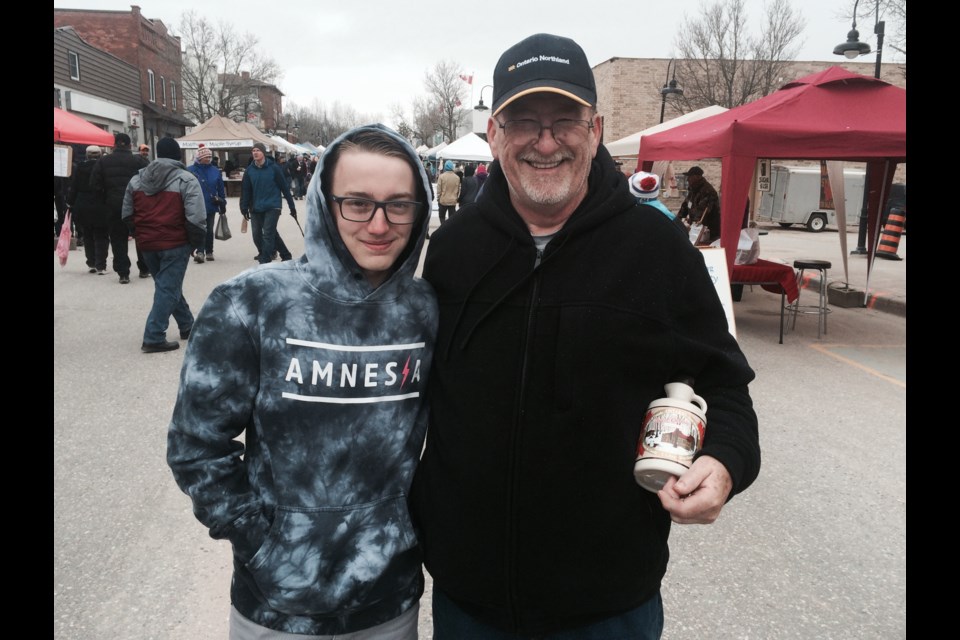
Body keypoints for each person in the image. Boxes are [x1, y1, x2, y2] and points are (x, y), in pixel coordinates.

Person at [410, 33, 760, 640]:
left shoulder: (656, 251)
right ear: (494, 133)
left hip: (609, 606)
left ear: (595, 129)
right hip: (470, 602)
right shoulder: (452, 251)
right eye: (523, 120)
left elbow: (725, 387)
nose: (546, 141)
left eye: (564, 119)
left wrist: (725, 464)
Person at [167, 124, 437, 638]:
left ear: (420, 209)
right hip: (274, 606)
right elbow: (195, 446)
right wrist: (262, 546)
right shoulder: (251, 302)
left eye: (399, 204)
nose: (379, 224)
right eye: (357, 203)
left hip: (389, 601)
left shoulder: (425, 310)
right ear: (324, 203)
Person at [121, 137, 205, 353]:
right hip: (175, 242)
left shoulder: (136, 180)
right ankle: (154, 336)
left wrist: (139, 233)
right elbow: (196, 216)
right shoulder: (186, 179)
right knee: (168, 288)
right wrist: (195, 243)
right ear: (177, 155)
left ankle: (188, 325)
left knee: (168, 285)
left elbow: (127, 213)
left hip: (147, 243)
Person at [91, 132, 150, 283]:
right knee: (141, 236)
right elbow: (150, 182)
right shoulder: (140, 161)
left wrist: (105, 201)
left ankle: (123, 272)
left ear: (114, 145)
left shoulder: (103, 162)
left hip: (113, 205)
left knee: (118, 239)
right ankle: (144, 268)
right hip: (137, 205)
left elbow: (95, 186)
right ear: (130, 145)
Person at [240, 142, 296, 264]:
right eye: (253, 151)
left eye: (257, 150)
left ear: (263, 153)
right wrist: (243, 207)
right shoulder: (249, 170)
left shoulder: (274, 168)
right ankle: (285, 254)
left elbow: (285, 188)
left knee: (268, 234)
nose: (255, 153)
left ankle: (265, 260)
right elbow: (245, 190)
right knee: (257, 235)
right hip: (256, 207)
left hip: (273, 205)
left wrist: (292, 206)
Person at [67, 145, 111, 275]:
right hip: (100, 205)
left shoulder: (79, 167)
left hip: (83, 205)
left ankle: (91, 263)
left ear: (87, 155)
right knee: (101, 235)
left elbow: (73, 187)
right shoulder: (103, 168)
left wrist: (70, 202)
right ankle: (101, 265)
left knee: (87, 234)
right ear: (100, 155)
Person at [186, 144, 227, 263]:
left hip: (210, 205)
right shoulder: (190, 171)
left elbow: (220, 189)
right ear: (199, 158)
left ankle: (209, 251)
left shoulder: (215, 171)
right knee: (199, 229)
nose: (208, 159)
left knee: (209, 229)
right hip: (195, 206)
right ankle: (200, 251)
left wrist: (222, 203)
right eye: (206, 157)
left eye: (209, 157)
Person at [677, 165, 721, 243]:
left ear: (696, 177)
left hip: (708, 233)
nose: (687, 180)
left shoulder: (708, 191)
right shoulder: (693, 190)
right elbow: (685, 206)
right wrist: (677, 220)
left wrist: (690, 225)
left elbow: (701, 215)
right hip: (696, 230)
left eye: (689, 177)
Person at [436, 160, 460, 224]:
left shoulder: (441, 176)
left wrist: (438, 198)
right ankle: (449, 230)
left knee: (442, 217)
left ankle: (443, 228)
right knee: (451, 218)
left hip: (443, 200)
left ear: (445, 166)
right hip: (452, 201)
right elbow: (458, 189)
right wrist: (456, 198)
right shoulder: (457, 177)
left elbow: (439, 189)